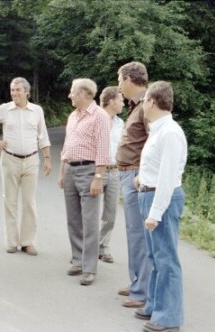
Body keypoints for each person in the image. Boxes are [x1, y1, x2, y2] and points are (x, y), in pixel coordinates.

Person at [134, 81, 187, 332]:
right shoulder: (158, 129)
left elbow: (167, 177)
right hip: (149, 193)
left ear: (153, 102)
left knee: (167, 260)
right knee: (155, 257)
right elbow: (156, 167)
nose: (142, 104)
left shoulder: (170, 132)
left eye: (145, 100)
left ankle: (168, 319)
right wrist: (142, 178)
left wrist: (155, 213)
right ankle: (155, 305)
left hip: (162, 199)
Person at [0, 77, 51, 256]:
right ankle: (11, 242)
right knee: (10, 201)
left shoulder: (36, 111)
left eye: (18, 90)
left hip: (31, 160)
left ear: (26, 92)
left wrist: (47, 158)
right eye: (12, 90)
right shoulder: (5, 109)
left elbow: (43, 135)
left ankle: (28, 242)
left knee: (29, 202)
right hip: (10, 160)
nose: (14, 93)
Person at [58, 78, 110, 286]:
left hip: (89, 171)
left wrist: (98, 177)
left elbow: (103, 149)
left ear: (86, 94)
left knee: (90, 221)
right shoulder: (73, 116)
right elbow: (67, 145)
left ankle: (89, 268)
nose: (70, 95)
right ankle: (77, 260)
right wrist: (62, 172)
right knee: (73, 219)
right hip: (70, 168)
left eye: (73, 92)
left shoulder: (100, 117)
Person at [116, 61, 151, 307]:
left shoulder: (147, 105)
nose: (118, 85)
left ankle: (143, 291)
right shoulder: (135, 106)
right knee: (132, 231)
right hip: (129, 173)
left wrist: (144, 174)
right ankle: (136, 282)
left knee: (139, 233)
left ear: (129, 79)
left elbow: (153, 141)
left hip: (137, 175)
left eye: (119, 80)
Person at [97, 86, 125, 264]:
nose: (123, 103)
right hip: (96, 170)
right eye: (120, 100)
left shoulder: (120, 123)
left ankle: (103, 246)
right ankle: (86, 247)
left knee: (111, 213)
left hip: (115, 171)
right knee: (90, 213)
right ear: (111, 101)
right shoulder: (95, 119)